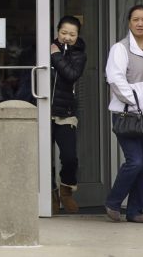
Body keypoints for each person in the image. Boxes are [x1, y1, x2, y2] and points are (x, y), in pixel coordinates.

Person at [104, 5, 143, 223]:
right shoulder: (120, 49)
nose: (140, 23)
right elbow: (115, 80)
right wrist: (135, 103)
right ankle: (113, 202)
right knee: (135, 162)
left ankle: (134, 211)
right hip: (128, 117)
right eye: (136, 19)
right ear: (129, 22)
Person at [49, 15, 87, 214]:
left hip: (66, 113)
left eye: (72, 34)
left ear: (77, 35)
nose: (67, 37)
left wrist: (56, 56)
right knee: (43, 158)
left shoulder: (79, 55)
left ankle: (66, 190)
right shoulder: (44, 48)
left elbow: (71, 75)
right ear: (57, 32)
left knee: (70, 157)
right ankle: (51, 194)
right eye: (64, 33)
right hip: (45, 111)